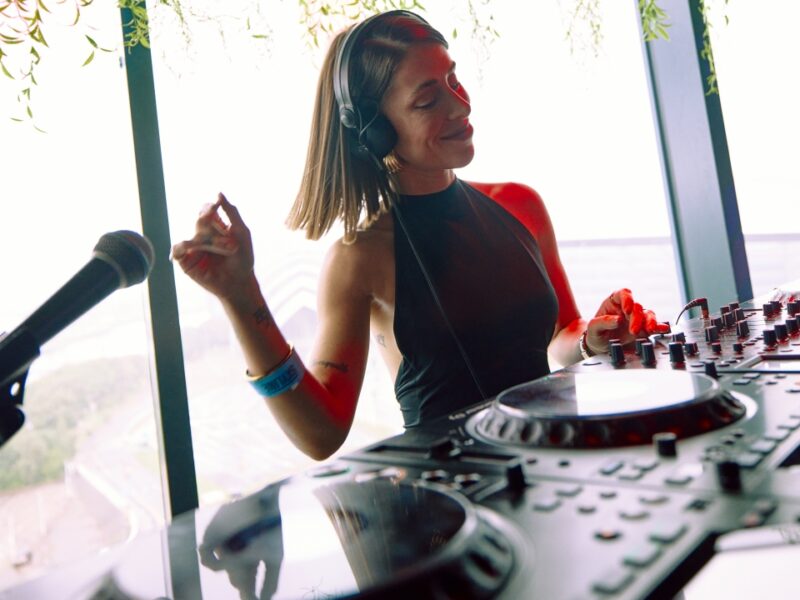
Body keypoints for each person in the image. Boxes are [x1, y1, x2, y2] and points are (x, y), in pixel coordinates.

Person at [171, 10, 669, 461]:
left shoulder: (521, 205)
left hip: (553, 474)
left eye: (454, 80)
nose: (460, 105)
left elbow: (558, 338)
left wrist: (593, 337)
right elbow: (321, 434)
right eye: (428, 99)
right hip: (451, 508)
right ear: (376, 131)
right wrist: (241, 298)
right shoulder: (359, 258)